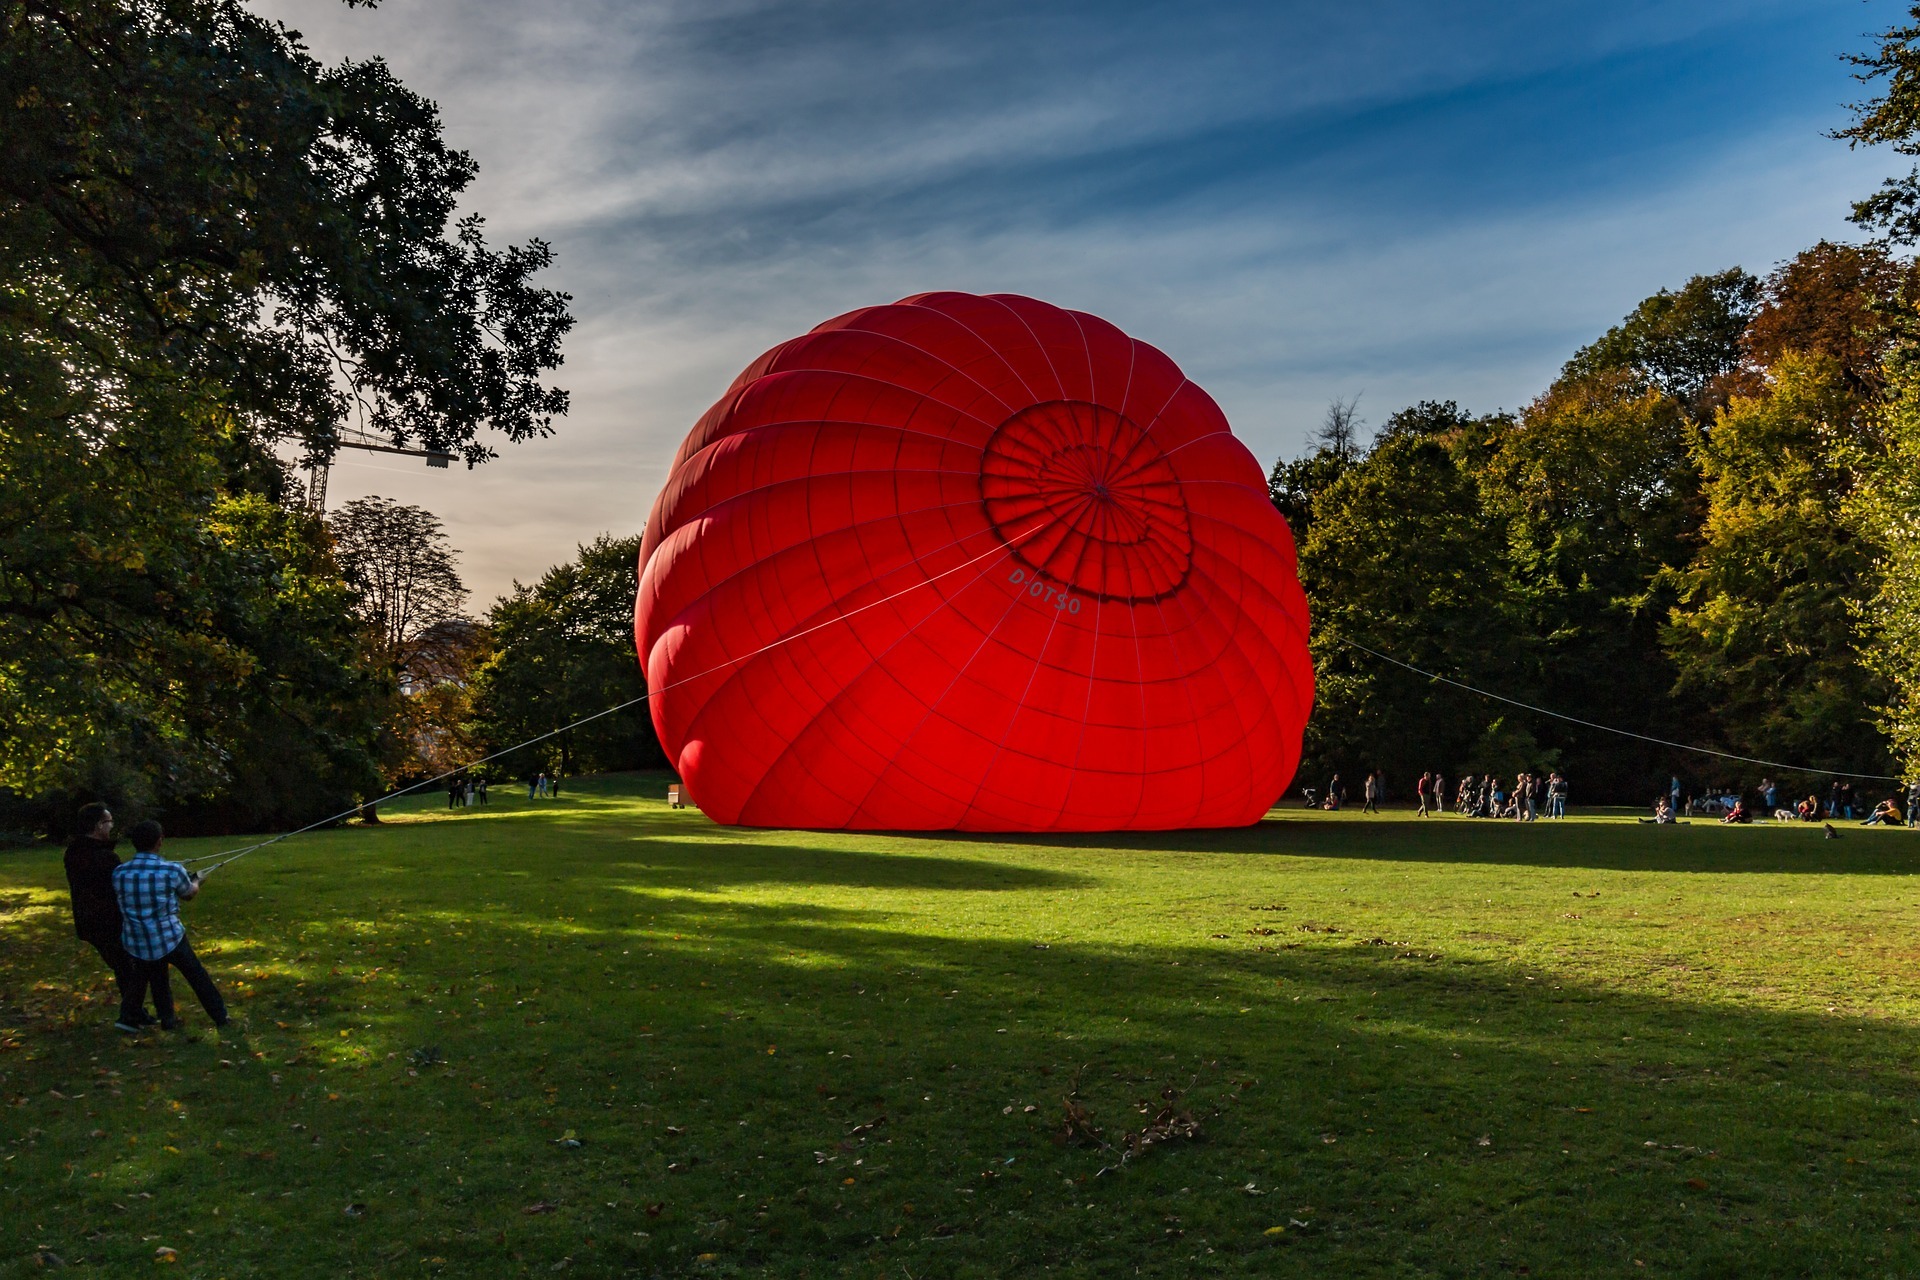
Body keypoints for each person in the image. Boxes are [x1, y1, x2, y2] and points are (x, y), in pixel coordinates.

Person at [113, 820, 228, 1032]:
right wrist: (198, 880)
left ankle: (166, 1020)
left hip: (137, 939)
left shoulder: (119, 872)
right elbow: (188, 894)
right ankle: (220, 1016)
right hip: (169, 937)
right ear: (160, 841)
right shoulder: (172, 870)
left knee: (156, 975)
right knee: (196, 975)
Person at [63, 803, 156, 1033]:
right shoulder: (103, 857)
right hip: (107, 921)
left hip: (89, 921)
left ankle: (135, 1014)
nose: (111, 826)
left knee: (126, 967)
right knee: (131, 968)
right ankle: (129, 1017)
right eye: (109, 821)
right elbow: (121, 885)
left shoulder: (74, 852)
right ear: (98, 826)